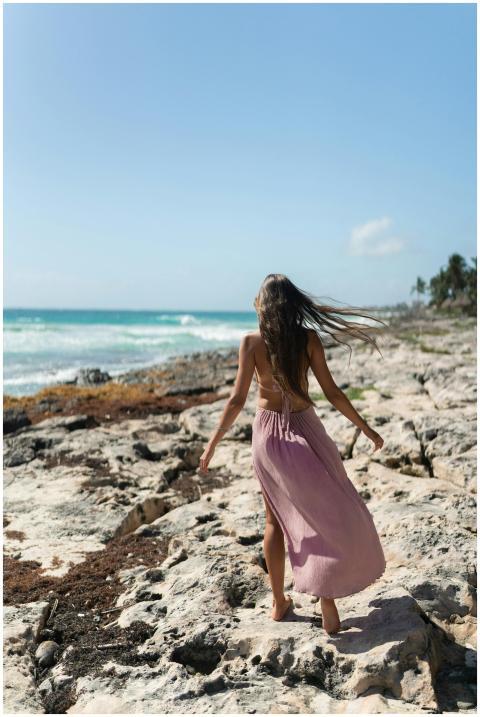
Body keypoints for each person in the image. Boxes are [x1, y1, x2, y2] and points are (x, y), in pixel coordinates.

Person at [199, 274, 387, 633]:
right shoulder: (309, 339)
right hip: (307, 429)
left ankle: (278, 602)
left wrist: (213, 443)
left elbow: (237, 399)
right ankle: (326, 597)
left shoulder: (252, 343)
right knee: (327, 512)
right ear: (292, 304)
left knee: (274, 522)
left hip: (268, 437)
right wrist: (364, 427)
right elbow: (331, 392)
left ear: (263, 307)